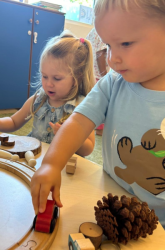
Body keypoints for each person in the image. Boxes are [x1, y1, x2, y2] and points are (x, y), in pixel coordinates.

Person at [30, 0, 165, 228]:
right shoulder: (112, 83)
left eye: (125, 43)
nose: (112, 59)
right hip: (112, 201)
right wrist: (51, 164)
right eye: (109, 46)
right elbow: (77, 123)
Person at [0, 30, 96, 156]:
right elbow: (14, 121)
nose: (48, 84)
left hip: (64, 164)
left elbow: (89, 147)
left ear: (76, 78)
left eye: (57, 78)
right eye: (44, 76)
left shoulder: (82, 108)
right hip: (36, 158)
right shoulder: (38, 99)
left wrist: (69, 136)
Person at [86, 27, 108, 136]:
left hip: (89, 72)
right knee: (100, 103)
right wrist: (105, 77)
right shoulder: (105, 29)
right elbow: (100, 55)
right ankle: (99, 128)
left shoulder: (95, 29)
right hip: (97, 75)